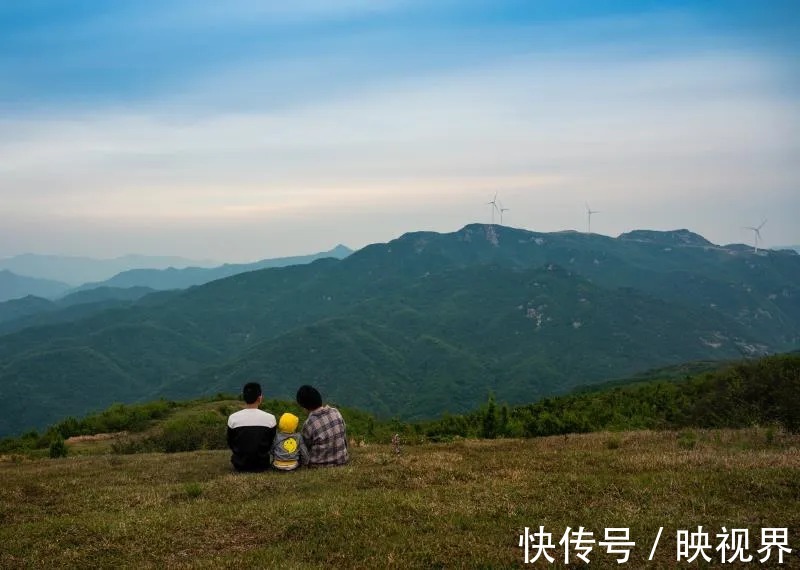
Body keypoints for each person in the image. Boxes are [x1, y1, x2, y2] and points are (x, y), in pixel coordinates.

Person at [227, 382, 277, 472]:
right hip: (262, 465)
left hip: (240, 465)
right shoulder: (270, 418)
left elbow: (231, 443)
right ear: (260, 398)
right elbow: (270, 442)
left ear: (244, 397)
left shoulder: (233, 418)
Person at [296, 385, 349, 467]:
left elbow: (306, 448)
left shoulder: (308, 424)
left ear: (304, 407)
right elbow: (343, 435)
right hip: (342, 460)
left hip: (319, 464)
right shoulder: (336, 412)